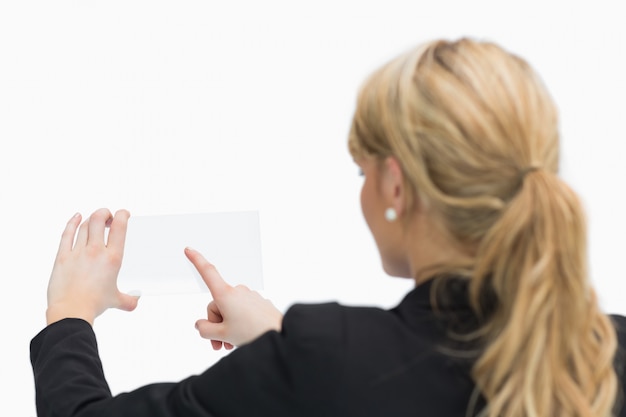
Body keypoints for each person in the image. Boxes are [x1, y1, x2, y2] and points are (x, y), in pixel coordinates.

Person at [31, 38, 626, 417]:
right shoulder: (610, 352)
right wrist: (281, 344)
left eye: (361, 169)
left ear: (394, 186)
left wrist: (70, 316)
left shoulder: (322, 359)